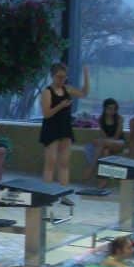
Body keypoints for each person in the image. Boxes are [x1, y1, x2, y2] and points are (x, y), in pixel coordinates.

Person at [39, 62, 90, 195]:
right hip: (51, 128)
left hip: (65, 128)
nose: (61, 80)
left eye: (64, 77)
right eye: (59, 77)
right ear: (52, 76)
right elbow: (46, 114)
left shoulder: (67, 89)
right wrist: (61, 106)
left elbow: (84, 93)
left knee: (64, 163)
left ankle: (63, 193)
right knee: (50, 163)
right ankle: (46, 193)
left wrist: (85, 75)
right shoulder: (47, 92)